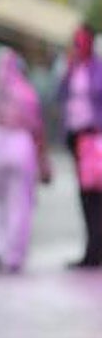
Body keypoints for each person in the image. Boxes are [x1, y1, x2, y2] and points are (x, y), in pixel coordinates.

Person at [0, 48, 49, 274]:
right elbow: (36, 126)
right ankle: (14, 254)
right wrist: (43, 160)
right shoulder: (26, 91)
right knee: (19, 203)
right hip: (20, 144)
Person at [57, 24, 102, 269]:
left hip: (95, 138)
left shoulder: (97, 70)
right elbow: (61, 97)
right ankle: (92, 248)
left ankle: (95, 248)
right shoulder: (73, 70)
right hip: (78, 139)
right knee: (86, 197)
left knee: (96, 196)